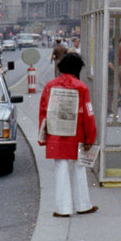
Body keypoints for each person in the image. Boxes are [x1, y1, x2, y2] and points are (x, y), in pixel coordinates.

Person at [38, 53, 98, 217]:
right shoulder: (81, 87)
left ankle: (63, 208)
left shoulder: (50, 86)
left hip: (56, 135)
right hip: (77, 134)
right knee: (79, 168)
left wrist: (43, 137)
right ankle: (83, 205)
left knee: (61, 168)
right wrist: (90, 138)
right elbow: (88, 114)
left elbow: (43, 111)